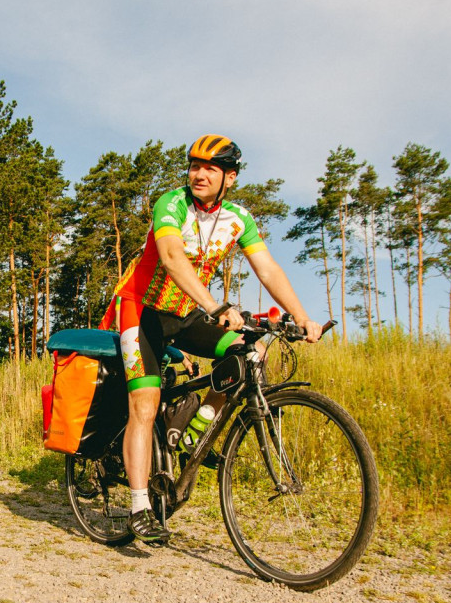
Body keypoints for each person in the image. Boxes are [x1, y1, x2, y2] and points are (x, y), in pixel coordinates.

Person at [112, 134, 322, 543]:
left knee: (251, 352)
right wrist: (215, 306)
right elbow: (172, 257)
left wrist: (301, 317)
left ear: (230, 177)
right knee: (145, 403)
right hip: (141, 310)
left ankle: (193, 434)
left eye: (210, 168)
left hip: (185, 314)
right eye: (194, 166)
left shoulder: (238, 219)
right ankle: (139, 506)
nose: (199, 174)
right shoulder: (170, 205)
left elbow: (268, 269)